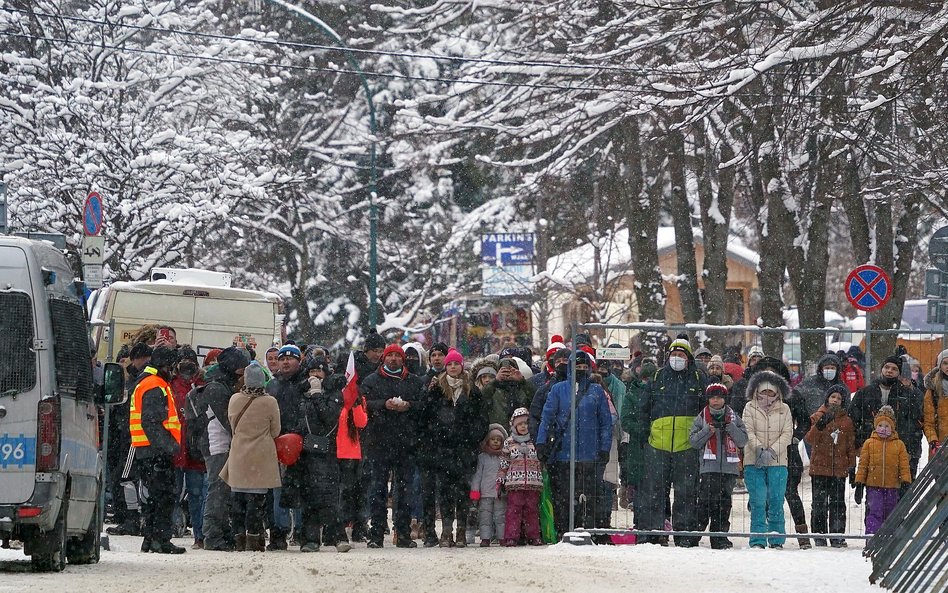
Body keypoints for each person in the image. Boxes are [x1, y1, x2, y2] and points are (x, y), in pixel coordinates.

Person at [637, 339, 708, 547]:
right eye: (674, 354)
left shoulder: (697, 378)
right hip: (657, 446)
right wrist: (645, 435)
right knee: (654, 492)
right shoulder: (658, 377)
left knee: (686, 492)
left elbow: (706, 410)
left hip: (687, 447)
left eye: (681, 355)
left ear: (689, 358)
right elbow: (643, 408)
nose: (677, 358)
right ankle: (652, 534)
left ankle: (685, 535)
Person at [537, 350, 612, 538]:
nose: (581, 370)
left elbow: (605, 422)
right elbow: (546, 418)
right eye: (577, 366)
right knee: (563, 497)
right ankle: (564, 531)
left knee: (589, 497)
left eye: (585, 367)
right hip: (562, 454)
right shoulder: (558, 389)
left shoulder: (596, 391)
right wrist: (541, 443)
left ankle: (588, 531)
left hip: (590, 455)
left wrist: (604, 448)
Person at [417, 348, 483, 548]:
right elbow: (426, 415)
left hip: (465, 449)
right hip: (443, 448)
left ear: (462, 366)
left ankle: (461, 529)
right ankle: (447, 529)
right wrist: (437, 435)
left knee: (463, 490)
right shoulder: (437, 388)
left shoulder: (472, 389)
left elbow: (481, 418)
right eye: (450, 364)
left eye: (456, 363)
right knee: (445, 491)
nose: (453, 367)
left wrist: (472, 437)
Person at [362, 343, 425, 548]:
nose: (394, 359)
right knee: (377, 490)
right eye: (390, 356)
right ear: (384, 358)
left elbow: (423, 406)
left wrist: (409, 406)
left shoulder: (413, 382)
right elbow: (363, 404)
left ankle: (403, 533)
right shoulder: (371, 380)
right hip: (378, 442)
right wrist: (383, 405)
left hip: (406, 443)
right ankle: (376, 534)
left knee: (404, 491)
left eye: (398, 356)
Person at [283, 359, 347, 552]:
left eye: (319, 372)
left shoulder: (333, 393)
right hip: (303, 452)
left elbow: (329, 418)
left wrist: (318, 396)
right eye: (311, 371)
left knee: (328, 496)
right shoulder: (300, 392)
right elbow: (291, 414)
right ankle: (309, 540)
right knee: (307, 496)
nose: (315, 375)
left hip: (325, 451)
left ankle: (337, 536)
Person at [220, 363, 281, 552]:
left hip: (239, 454)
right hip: (261, 457)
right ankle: (254, 540)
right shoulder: (270, 402)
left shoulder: (234, 399)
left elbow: (232, 425)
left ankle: (239, 539)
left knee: (238, 501)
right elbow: (276, 431)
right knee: (256, 502)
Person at [130, 347, 185, 554]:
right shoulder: (155, 385)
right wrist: (168, 447)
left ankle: (151, 538)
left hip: (147, 449)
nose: (174, 372)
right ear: (166, 366)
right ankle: (160, 540)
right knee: (164, 496)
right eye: (173, 367)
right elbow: (151, 422)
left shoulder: (147, 382)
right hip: (156, 451)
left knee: (154, 497)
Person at [198, 346, 250, 552]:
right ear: (235, 369)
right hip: (216, 445)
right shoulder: (217, 389)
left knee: (223, 490)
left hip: (221, 444)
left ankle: (220, 531)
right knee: (218, 490)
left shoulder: (220, 384)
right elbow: (230, 421)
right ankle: (213, 534)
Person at [688, 383, 748, 549]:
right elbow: (693, 441)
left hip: (729, 469)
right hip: (709, 468)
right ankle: (695, 535)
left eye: (719, 397)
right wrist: (709, 430)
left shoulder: (734, 417)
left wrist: (730, 427)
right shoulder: (702, 417)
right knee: (704, 503)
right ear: (708, 400)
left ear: (725, 399)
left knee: (723, 504)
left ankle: (719, 537)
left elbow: (743, 440)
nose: (716, 401)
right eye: (712, 398)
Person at [742, 370, 793, 549]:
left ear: (777, 392)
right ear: (756, 391)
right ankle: (757, 539)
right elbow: (747, 431)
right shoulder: (749, 407)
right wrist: (759, 449)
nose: (767, 396)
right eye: (763, 392)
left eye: (771, 392)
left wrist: (772, 451)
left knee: (776, 501)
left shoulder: (785, 409)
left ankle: (776, 539)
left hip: (778, 462)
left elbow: (788, 433)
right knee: (758, 501)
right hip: (753, 461)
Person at [849, 355, 924, 479]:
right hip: (872, 452)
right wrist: (858, 445)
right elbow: (853, 420)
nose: (889, 370)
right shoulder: (865, 393)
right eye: (886, 367)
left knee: (901, 494)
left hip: (900, 451)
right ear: (881, 369)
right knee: (874, 493)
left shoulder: (908, 395)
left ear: (899, 373)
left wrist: (911, 451)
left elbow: (915, 425)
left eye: (894, 369)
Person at [265, 344, 309, 549]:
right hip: (277, 441)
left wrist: (299, 433)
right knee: (278, 489)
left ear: (299, 361)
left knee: (300, 487)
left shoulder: (306, 383)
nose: (285, 362)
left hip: (301, 442)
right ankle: (279, 532)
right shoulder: (272, 385)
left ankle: (301, 530)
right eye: (282, 358)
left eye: (290, 358)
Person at [805, 384, 856, 547]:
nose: (835, 400)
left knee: (838, 504)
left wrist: (852, 466)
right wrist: (820, 425)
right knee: (819, 503)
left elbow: (850, 446)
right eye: (833, 397)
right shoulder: (817, 416)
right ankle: (819, 535)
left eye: (839, 398)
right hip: (819, 467)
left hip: (839, 469)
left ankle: (836, 535)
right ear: (827, 398)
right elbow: (810, 439)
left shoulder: (847, 421)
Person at [169, 347, 207, 549]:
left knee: (197, 494)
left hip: (195, 450)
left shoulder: (202, 386)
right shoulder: (170, 385)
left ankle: (199, 534)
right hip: (175, 448)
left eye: (189, 361)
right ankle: (170, 529)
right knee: (172, 493)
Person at [854, 406, 912, 534]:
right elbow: (863, 465)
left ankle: (889, 540)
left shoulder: (899, 445)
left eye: (887, 426)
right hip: (873, 486)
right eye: (880, 425)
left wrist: (905, 482)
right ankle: (872, 537)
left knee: (891, 513)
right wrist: (859, 483)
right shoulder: (869, 443)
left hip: (893, 486)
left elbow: (904, 466)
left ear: (892, 428)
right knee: (874, 511)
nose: (883, 429)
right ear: (875, 426)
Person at [498, 408, 544, 546]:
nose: (524, 427)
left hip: (533, 482)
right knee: (514, 510)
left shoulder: (535, 441)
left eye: (526, 423)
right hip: (514, 483)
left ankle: (533, 535)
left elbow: (541, 460)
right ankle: (512, 536)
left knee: (532, 510)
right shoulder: (509, 442)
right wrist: (501, 478)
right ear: (514, 426)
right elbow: (504, 462)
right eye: (520, 424)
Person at [470, 424, 508, 546]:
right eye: (493, 439)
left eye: (499, 440)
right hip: (485, 492)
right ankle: (485, 537)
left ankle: (502, 537)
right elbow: (478, 475)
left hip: (499, 493)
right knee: (485, 516)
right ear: (488, 440)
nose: (496, 442)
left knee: (500, 516)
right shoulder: (482, 458)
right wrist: (475, 490)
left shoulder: (504, 458)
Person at [482, 356, 535, 428]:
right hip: (499, 432)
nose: (507, 373)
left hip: (521, 430)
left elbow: (534, 399)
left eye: (511, 370)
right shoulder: (494, 389)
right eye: (504, 370)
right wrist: (496, 380)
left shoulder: (522, 388)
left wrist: (522, 381)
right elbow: (482, 399)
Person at [922, 349, 948, 456]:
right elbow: (928, 422)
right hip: (940, 448)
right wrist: (933, 441)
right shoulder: (933, 391)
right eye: (945, 363)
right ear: (939, 365)